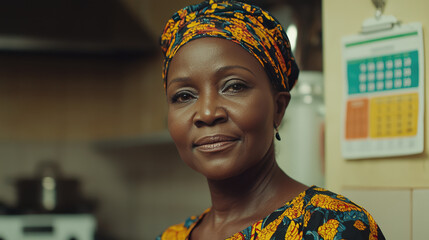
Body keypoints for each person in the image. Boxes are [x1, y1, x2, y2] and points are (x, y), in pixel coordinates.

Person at [157, 0, 385, 239]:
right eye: (183, 96)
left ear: (278, 108)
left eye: (233, 86)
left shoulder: (334, 227)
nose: (206, 113)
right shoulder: (171, 236)